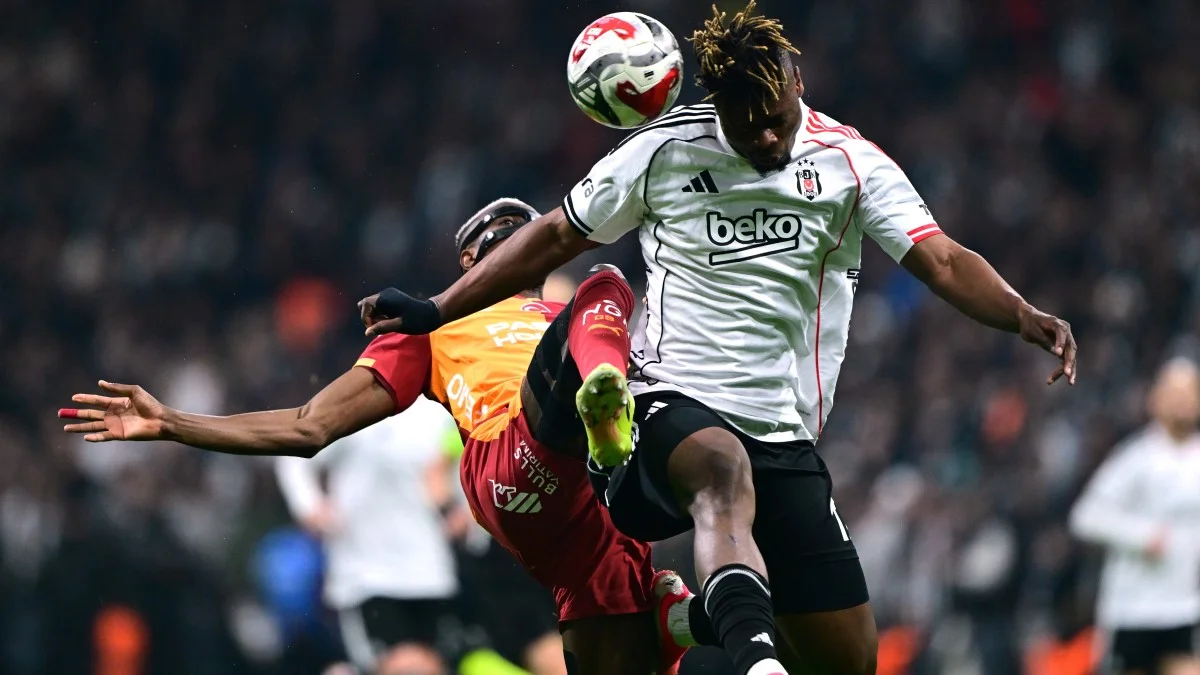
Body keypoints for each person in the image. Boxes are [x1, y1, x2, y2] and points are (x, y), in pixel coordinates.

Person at [357, 4, 1078, 674]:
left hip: (786, 432)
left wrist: (1021, 313)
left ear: (799, 83)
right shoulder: (661, 152)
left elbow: (943, 258)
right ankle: (752, 657)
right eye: (746, 122)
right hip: (670, 404)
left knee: (847, 658)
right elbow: (551, 234)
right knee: (720, 477)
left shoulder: (850, 163)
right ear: (713, 107)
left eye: (777, 117)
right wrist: (435, 307)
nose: (766, 134)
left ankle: (691, 623)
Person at [58, 197, 692, 675]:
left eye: (522, 238)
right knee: (604, 286)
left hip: (582, 515)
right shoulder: (436, 325)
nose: (511, 246)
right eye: (497, 241)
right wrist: (173, 422)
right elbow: (310, 427)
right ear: (471, 265)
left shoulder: (578, 319)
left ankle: (690, 617)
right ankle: (609, 423)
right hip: (515, 464)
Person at [274, 397, 465, 673]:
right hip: (368, 576)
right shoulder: (357, 405)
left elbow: (462, 476)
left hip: (432, 574)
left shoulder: (443, 414)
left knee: (430, 666)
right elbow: (294, 452)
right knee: (399, 666)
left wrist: (464, 515)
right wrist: (308, 505)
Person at [1069, 357, 1200, 675]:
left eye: (1190, 392)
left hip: (1183, 607)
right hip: (1133, 609)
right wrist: (1141, 537)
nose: (1183, 401)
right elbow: (1086, 516)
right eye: (1174, 392)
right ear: (1156, 400)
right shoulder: (1135, 459)